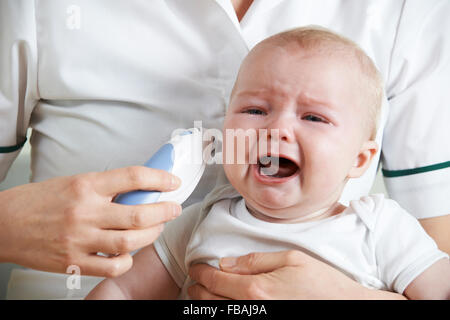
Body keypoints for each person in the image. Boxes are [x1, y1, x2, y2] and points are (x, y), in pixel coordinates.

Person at [1, 0, 449, 299]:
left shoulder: (380, 229)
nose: (277, 129)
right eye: (254, 110)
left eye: (312, 118)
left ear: (360, 159)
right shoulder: (200, 222)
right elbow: (123, 291)